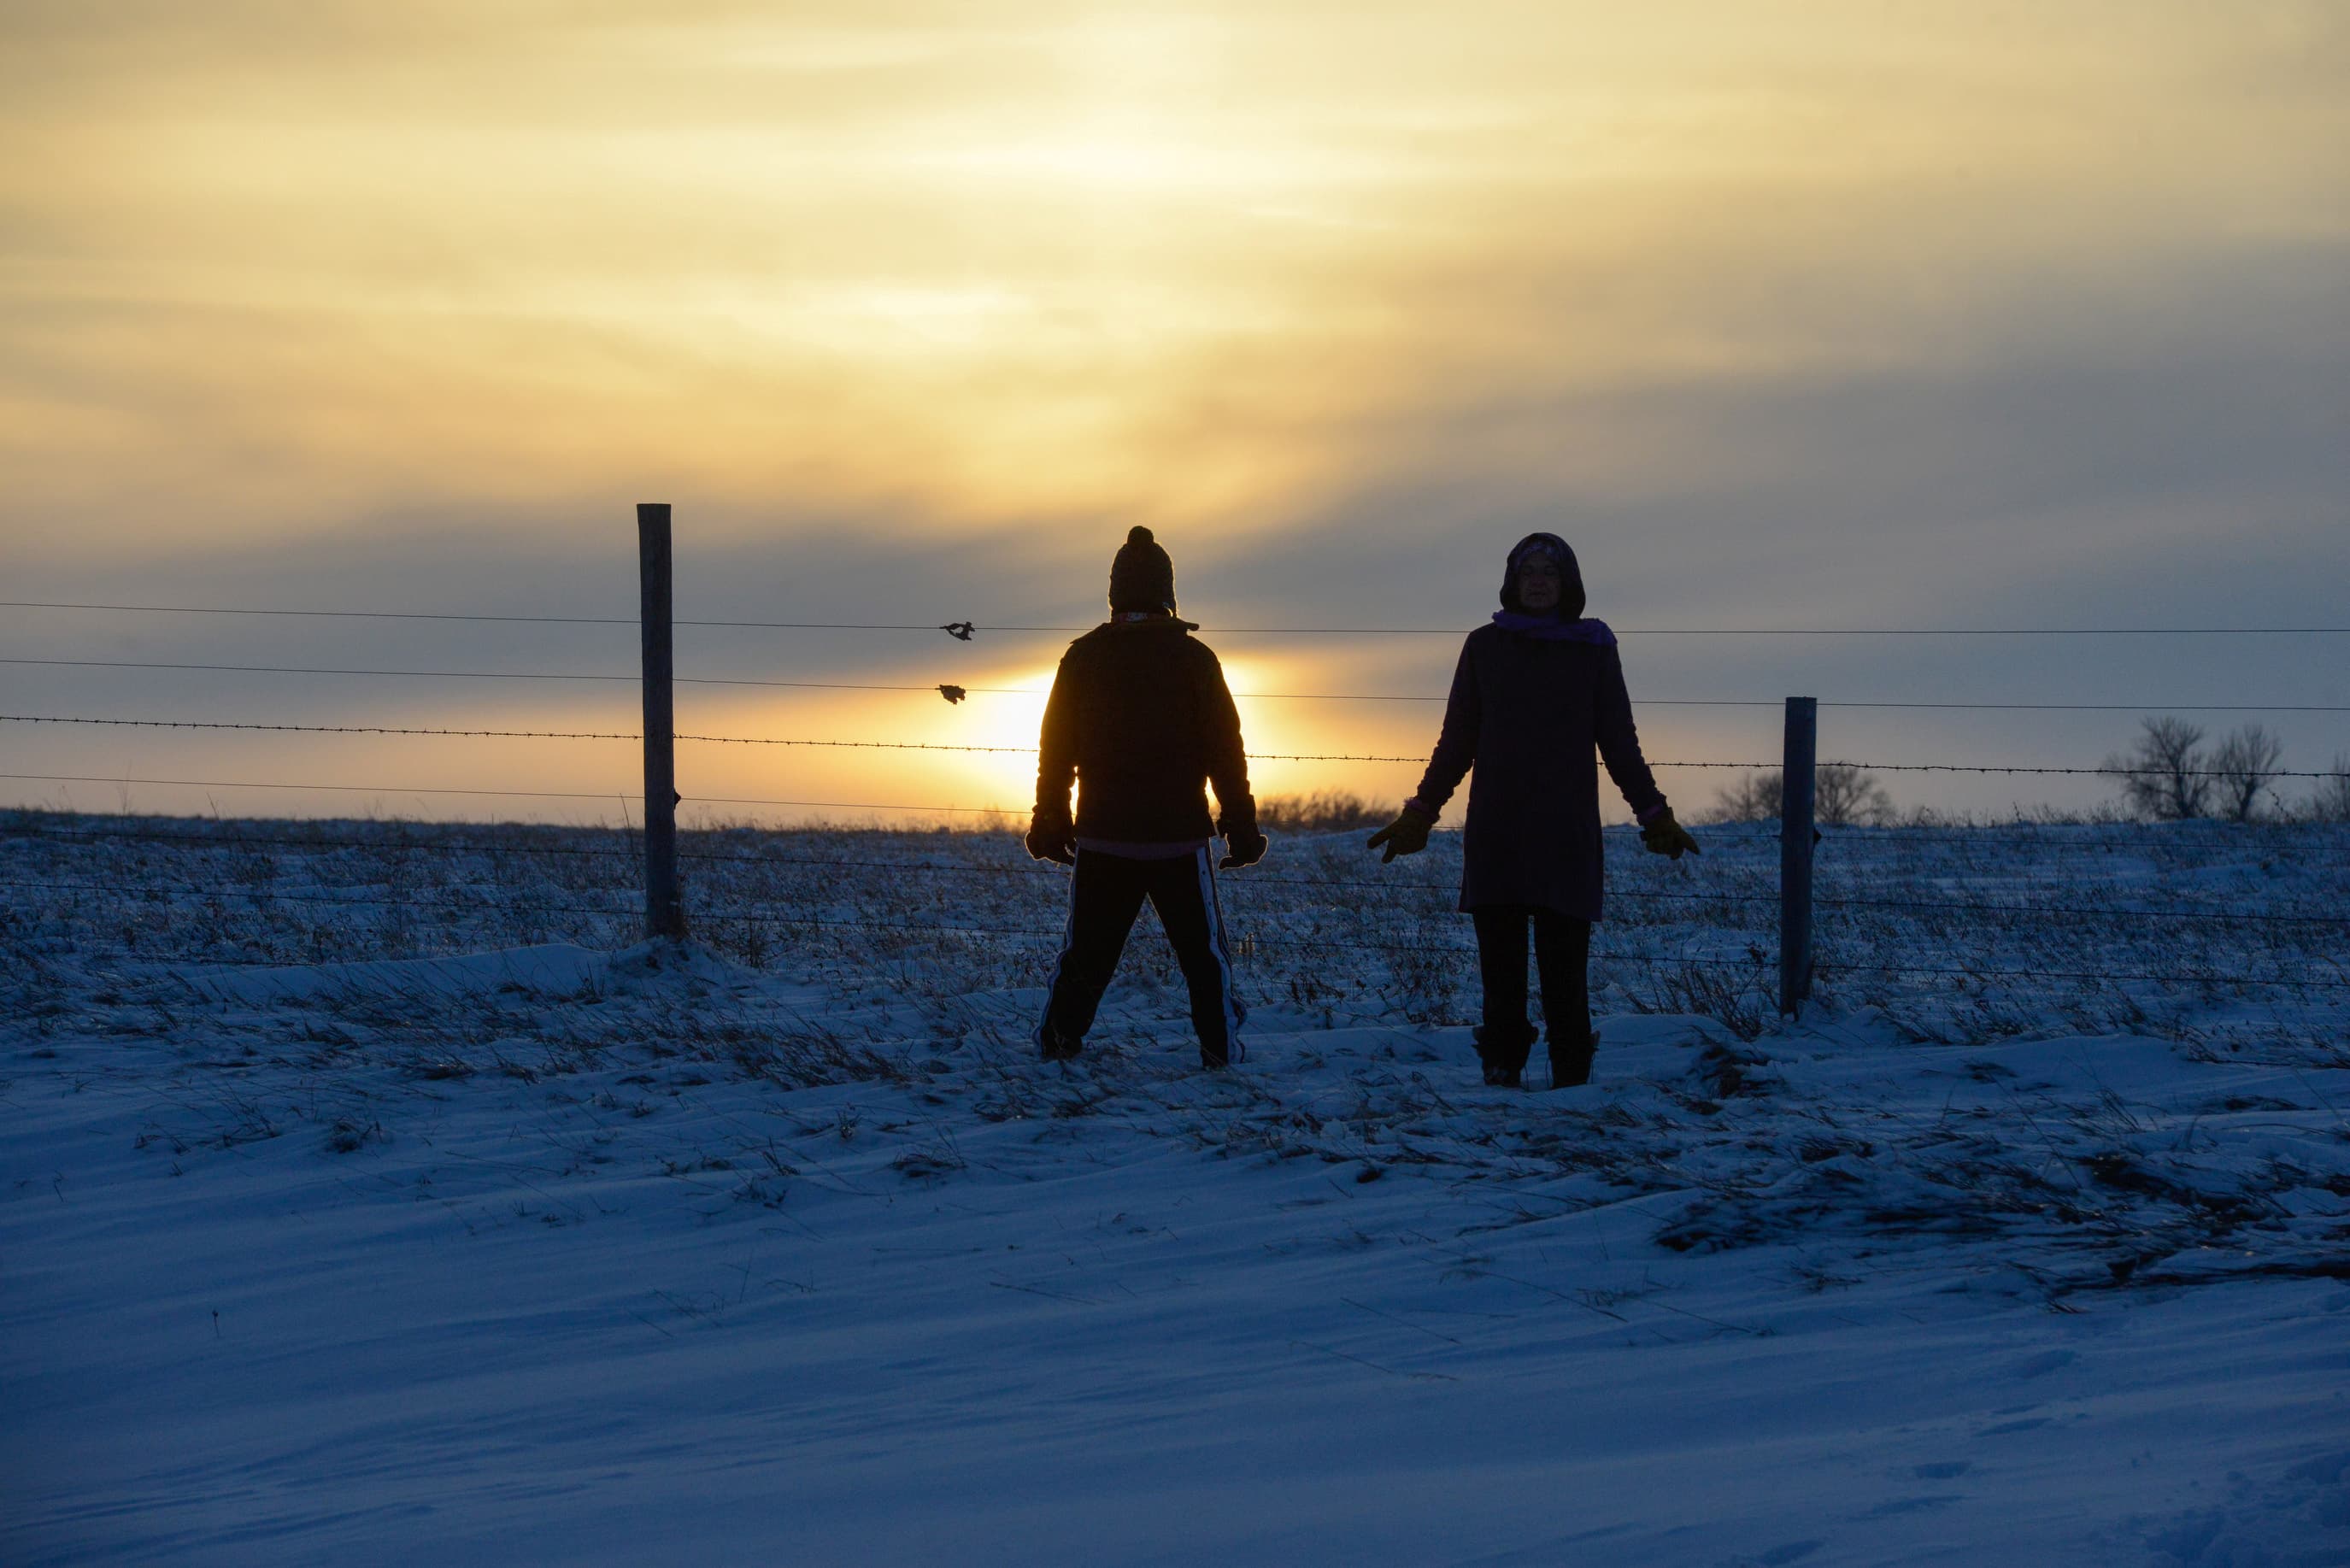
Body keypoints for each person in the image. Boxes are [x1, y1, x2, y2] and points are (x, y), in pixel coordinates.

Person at [1366, 532, 1699, 1089]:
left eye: (1551, 571)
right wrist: (1422, 811)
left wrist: (1653, 812)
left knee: (1565, 972)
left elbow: (1618, 740)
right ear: (1513, 582)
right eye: (1529, 572)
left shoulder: (1594, 648)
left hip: (1565, 835)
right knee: (1500, 973)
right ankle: (1502, 1072)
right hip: (1498, 831)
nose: (1540, 580)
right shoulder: (1484, 647)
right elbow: (1457, 740)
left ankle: (1572, 1079)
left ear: (1569, 584)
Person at [1027, 526, 1268, 1069]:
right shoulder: (1196, 660)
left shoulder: (1081, 659)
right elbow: (1225, 754)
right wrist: (1241, 826)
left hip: (1103, 837)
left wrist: (1050, 818)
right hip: (1178, 840)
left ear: (1115, 593)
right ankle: (1221, 1055)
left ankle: (1057, 1051)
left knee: (1086, 957)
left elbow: (1056, 748)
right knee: (1204, 959)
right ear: (1168, 592)